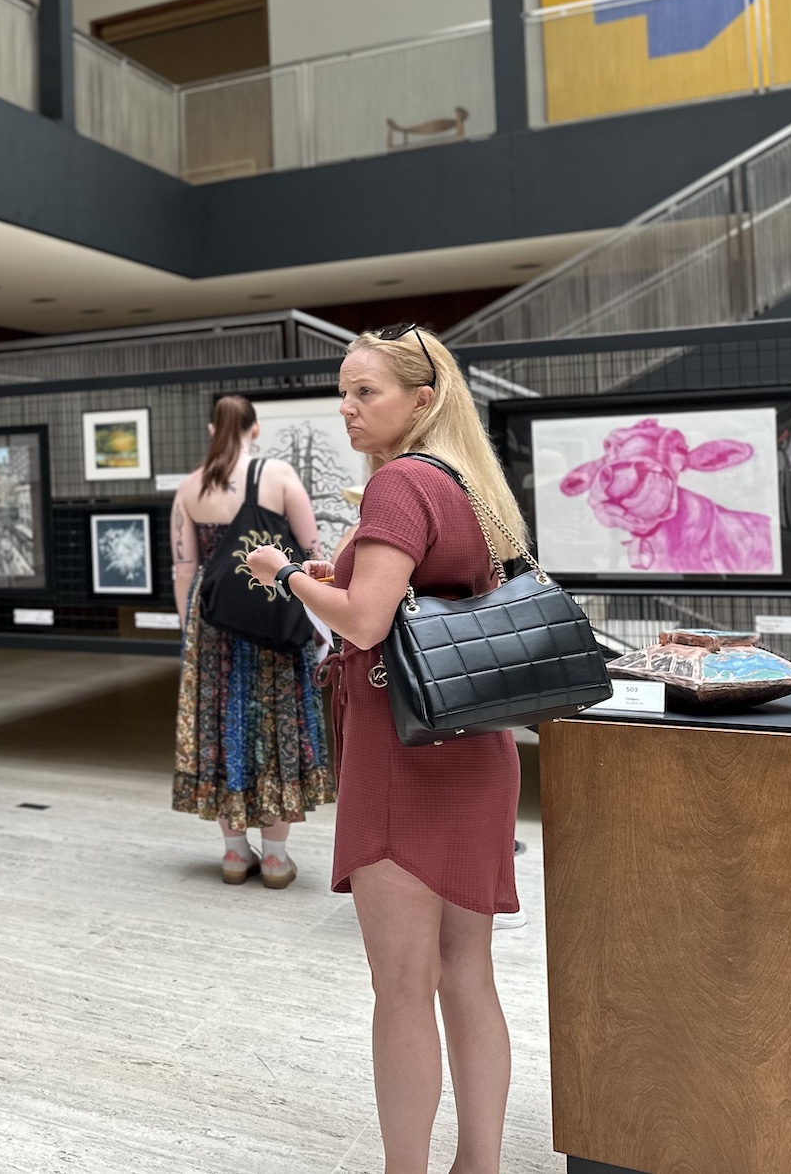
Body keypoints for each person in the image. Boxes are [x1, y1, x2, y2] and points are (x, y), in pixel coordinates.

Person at [242, 325, 520, 1174]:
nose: (348, 407)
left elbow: (365, 621)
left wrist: (284, 573)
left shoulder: (399, 483)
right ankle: (480, 1165)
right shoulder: (470, 481)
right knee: (467, 974)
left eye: (368, 392)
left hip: (404, 750)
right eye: (345, 389)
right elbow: (418, 595)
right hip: (474, 746)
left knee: (401, 987)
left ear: (421, 402)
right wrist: (344, 570)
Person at [169, 394, 333, 888]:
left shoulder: (190, 487)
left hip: (213, 621)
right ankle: (278, 858)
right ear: (254, 429)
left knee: (223, 726)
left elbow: (184, 565)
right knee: (278, 722)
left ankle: (235, 854)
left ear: (210, 429)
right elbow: (311, 550)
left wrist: (189, 629)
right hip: (274, 616)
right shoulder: (278, 475)